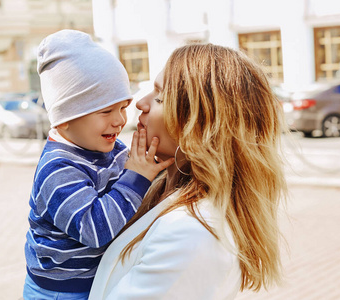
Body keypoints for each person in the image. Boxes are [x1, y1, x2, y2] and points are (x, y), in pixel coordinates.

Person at [89, 44, 288, 299]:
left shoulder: (191, 231)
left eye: (160, 96)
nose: (141, 103)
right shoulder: (157, 187)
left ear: (200, 124)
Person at [23, 30, 173, 300]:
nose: (119, 120)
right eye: (105, 111)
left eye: (123, 107)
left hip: (95, 281)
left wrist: (154, 171)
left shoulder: (111, 149)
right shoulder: (57, 170)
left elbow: (128, 200)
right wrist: (137, 177)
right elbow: (96, 229)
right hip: (61, 292)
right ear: (64, 118)